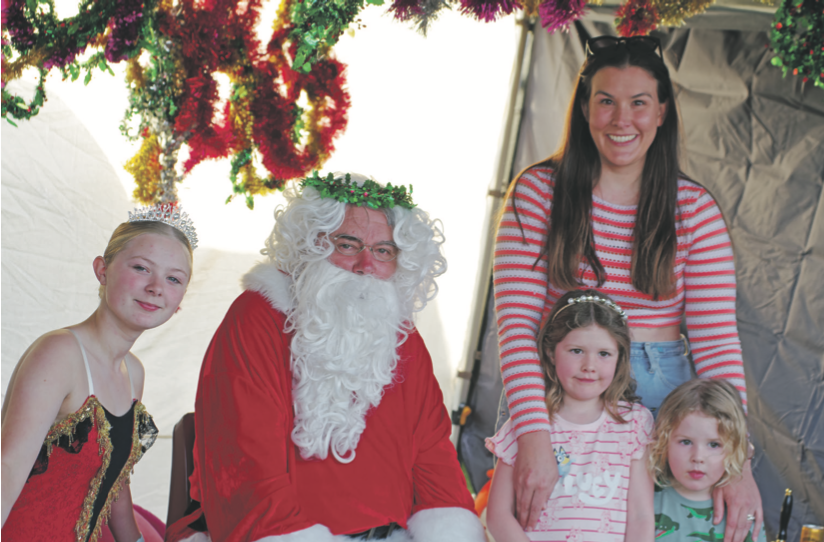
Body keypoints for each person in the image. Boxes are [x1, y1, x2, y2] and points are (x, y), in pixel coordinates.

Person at [492, 35, 761, 541]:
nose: (622, 120)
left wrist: (738, 461)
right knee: (549, 524)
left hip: (664, 393)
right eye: (606, 101)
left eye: (638, 103)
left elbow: (717, 341)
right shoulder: (537, 192)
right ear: (584, 108)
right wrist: (533, 434)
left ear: (661, 112)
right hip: (561, 388)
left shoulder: (694, 210)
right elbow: (517, 327)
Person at [165, 172, 484, 542]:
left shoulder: (400, 336)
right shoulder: (257, 316)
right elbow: (244, 466)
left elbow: (433, 458)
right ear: (311, 243)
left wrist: (450, 532)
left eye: (384, 251)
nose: (366, 264)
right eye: (347, 245)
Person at [1, 203, 198, 542]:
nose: (156, 287)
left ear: (179, 299)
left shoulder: (133, 371)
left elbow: (113, 480)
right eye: (141, 268)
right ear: (102, 270)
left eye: (173, 279)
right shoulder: (59, 353)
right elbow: (7, 467)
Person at [486, 289, 654, 542]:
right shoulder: (526, 425)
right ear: (551, 353)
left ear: (620, 358)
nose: (589, 366)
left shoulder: (635, 424)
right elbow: (498, 516)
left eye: (604, 354)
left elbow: (641, 516)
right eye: (576, 351)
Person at [650, 379, 765, 542]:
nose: (697, 457)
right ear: (663, 440)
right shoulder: (645, 498)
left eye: (714, 445)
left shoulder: (741, 510)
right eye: (686, 442)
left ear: (734, 448)